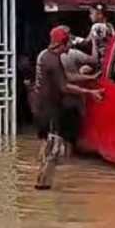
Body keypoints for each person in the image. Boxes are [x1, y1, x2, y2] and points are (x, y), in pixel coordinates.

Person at [33, 26, 103, 190]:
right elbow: (64, 86)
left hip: (39, 107)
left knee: (46, 144)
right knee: (54, 149)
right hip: (50, 109)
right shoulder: (54, 61)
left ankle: (41, 181)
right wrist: (89, 92)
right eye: (69, 41)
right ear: (62, 43)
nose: (71, 44)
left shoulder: (43, 55)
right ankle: (43, 185)